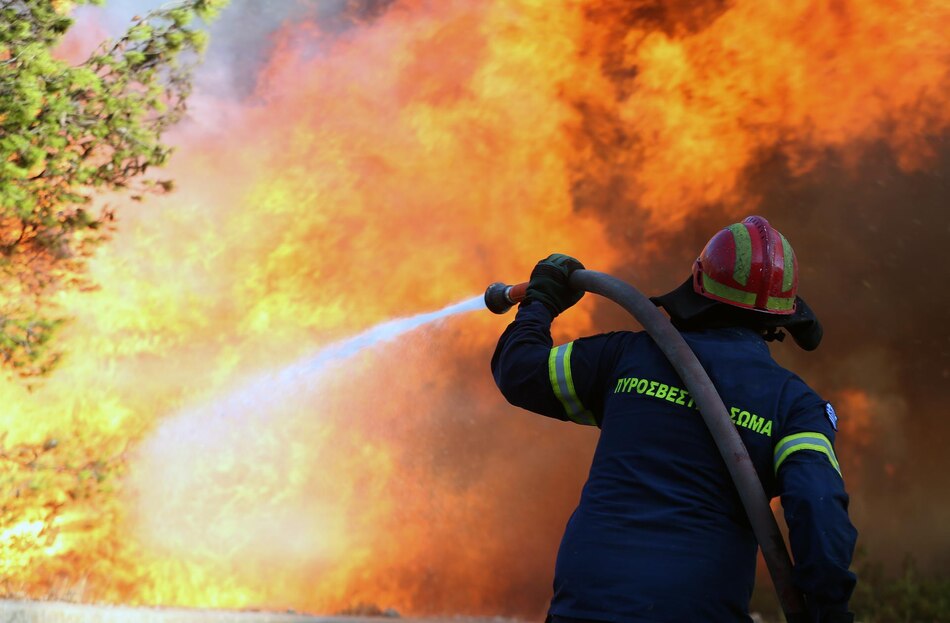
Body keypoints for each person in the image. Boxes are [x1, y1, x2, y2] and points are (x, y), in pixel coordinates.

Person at [491, 216, 857, 623]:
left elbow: (519, 370)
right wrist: (829, 611)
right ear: (782, 316)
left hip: (587, 608)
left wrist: (541, 303)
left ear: (698, 284)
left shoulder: (625, 358)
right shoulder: (795, 407)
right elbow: (817, 509)